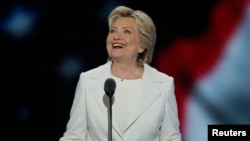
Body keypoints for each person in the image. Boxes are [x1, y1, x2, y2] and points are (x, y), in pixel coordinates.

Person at [59, 5, 182, 141]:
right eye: (112, 31)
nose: (116, 36)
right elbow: (74, 137)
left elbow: (171, 137)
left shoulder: (163, 84)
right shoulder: (88, 80)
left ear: (142, 45)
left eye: (127, 32)